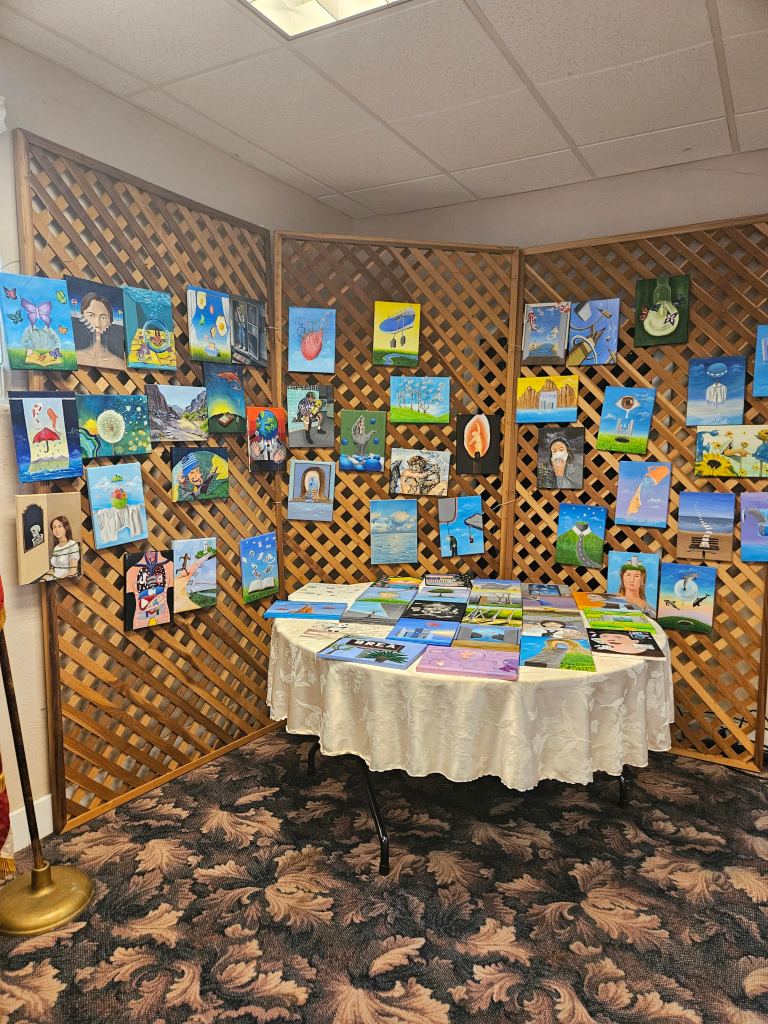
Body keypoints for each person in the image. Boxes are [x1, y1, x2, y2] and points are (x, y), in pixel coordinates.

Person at [73, 291, 125, 369]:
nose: (97, 324)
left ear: (110, 321)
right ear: (82, 317)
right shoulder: (75, 357)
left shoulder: (118, 363)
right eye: (91, 315)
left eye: (103, 317)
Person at [44, 516, 80, 580]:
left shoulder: (72, 545)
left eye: (60, 526)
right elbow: (54, 569)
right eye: (54, 527)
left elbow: (73, 571)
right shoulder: (56, 548)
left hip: (65, 580)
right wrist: (43, 579)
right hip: (53, 578)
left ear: (66, 528)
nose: (57, 530)